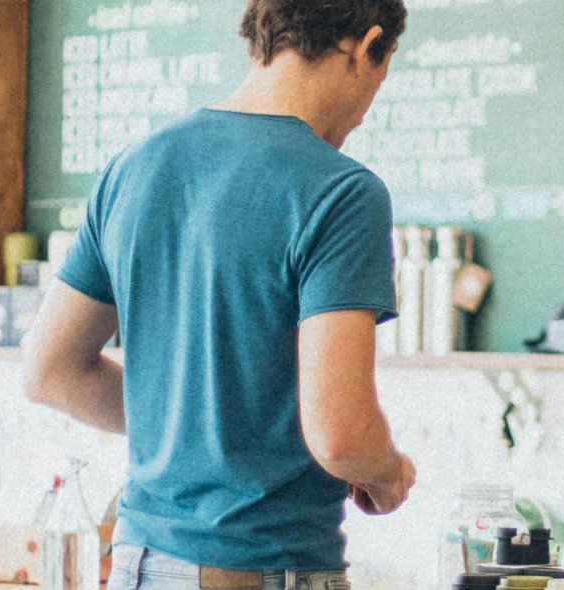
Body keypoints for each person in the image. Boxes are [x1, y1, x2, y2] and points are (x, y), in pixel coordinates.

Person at [22, 0, 417, 585]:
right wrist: (387, 473)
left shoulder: (133, 167)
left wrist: (190, 425)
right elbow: (341, 436)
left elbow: (48, 370)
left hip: (137, 566)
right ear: (366, 46)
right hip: (263, 569)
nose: (363, 113)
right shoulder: (341, 192)